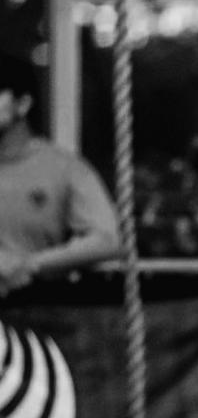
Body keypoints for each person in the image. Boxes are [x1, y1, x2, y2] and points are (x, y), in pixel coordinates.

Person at [0, 52, 119, 297]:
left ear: (23, 104)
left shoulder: (63, 168)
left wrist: (30, 264)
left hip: (39, 308)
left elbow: (107, 239)